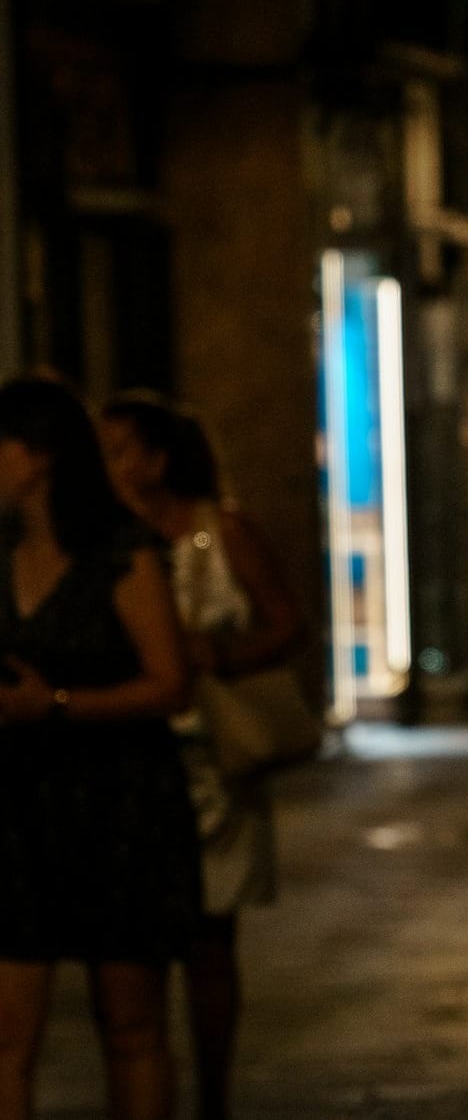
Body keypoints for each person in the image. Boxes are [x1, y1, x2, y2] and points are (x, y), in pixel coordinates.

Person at [100, 393, 305, 1120]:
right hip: (133, 754)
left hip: (217, 753)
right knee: (141, 940)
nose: (108, 462)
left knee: (213, 939)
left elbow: (288, 622)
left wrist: (223, 654)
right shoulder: (104, 543)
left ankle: (212, 1093)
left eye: (120, 448)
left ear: (158, 459)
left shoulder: (222, 533)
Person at [0, 379, 196, 1120]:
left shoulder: (123, 553)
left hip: (121, 804)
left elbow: (170, 683)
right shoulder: (2, 554)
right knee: (8, 1032)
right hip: (20, 804)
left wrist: (53, 704)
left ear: (37, 457)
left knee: (131, 1024)